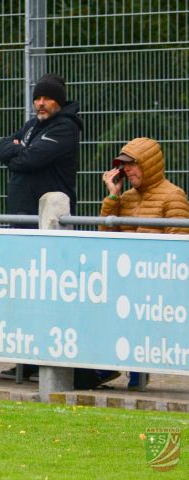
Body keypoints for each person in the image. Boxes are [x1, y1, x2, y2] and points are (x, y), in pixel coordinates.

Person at [0, 73, 83, 382]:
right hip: (22, 221)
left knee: (44, 297)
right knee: (23, 297)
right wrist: (17, 150)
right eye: (37, 98)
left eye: (46, 98)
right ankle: (24, 362)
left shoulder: (66, 127)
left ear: (59, 100)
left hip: (47, 228)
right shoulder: (33, 126)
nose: (40, 103)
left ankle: (42, 362)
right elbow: (1, 148)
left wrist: (17, 153)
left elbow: (29, 160)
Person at [101, 137, 189, 390]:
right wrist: (112, 197)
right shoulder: (124, 198)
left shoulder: (173, 196)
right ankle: (105, 366)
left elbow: (180, 248)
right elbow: (105, 237)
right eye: (123, 165)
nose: (126, 170)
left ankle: (134, 368)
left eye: (131, 164)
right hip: (125, 279)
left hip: (156, 284)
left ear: (149, 164)